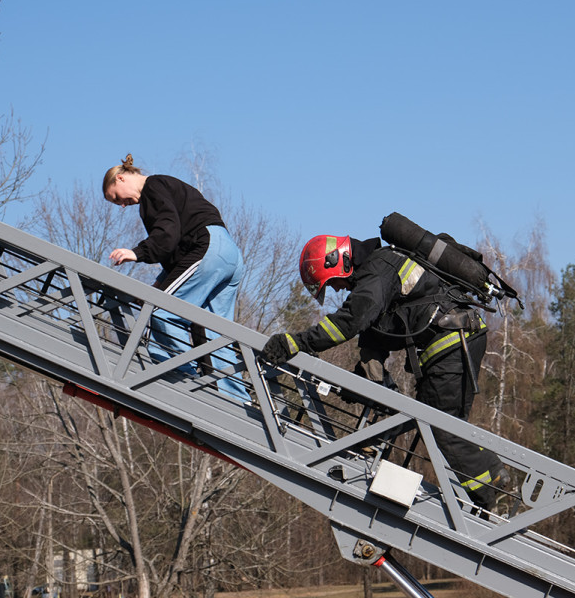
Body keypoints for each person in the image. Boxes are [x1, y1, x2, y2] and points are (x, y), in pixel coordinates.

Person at [261, 232, 510, 512]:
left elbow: (351, 321)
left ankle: (494, 494)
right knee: (439, 422)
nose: (339, 290)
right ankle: (491, 485)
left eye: (334, 283)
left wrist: (297, 342)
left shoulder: (379, 269)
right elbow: (373, 339)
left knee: (440, 425)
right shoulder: (379, 274)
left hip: (452, 342)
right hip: (453, 342)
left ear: (339, 261)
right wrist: (364, 383)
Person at [102, 154, 248, 401]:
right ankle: (235, 400)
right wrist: (160, 283)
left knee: (160, 310)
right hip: (228, 253)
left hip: (207, 249)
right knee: (215, 332)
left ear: (121, 178)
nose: (123, 205)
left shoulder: (153, 188)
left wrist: (136, 253)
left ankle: (186, 383)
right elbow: (178, 248)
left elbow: (167, 234)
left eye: (116, 198)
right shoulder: (166, 186)